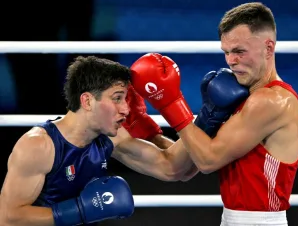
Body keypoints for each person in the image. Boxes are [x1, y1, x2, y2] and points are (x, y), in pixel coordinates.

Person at [130, 2, 298, 226]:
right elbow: (186, 165)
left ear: (268, 48)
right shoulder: (244, 97)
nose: (231, 61)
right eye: (227, 52)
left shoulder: (271, 100)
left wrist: (171, 104)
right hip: (232, 217)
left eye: (240, 51)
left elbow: (207, 160)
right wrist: (144, 127)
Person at [0, 56, 197, 226]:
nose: (126, 110)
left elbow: (172, 167)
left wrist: (204, 120)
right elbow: (9, 217)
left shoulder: (110, 138)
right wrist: (79, 211)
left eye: (126, 100)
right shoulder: (39, 146)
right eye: (117, 98)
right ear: (87, 101)